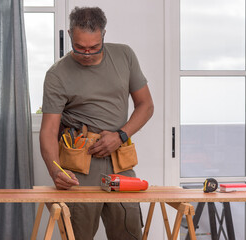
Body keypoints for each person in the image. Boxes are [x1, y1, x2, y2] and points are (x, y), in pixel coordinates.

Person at [39, 6, 154, 240]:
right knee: (77, 234)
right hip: (79, 166)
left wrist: (120, 135)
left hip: (120, 160)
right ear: (70, 34)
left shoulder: (125, 56)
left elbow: (146, 105)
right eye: (80, 47)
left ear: (103, 34)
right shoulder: (57, 75)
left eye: (94, 47)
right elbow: (49, 131)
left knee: (129, 233)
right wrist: (55, 171)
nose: (87, 54)